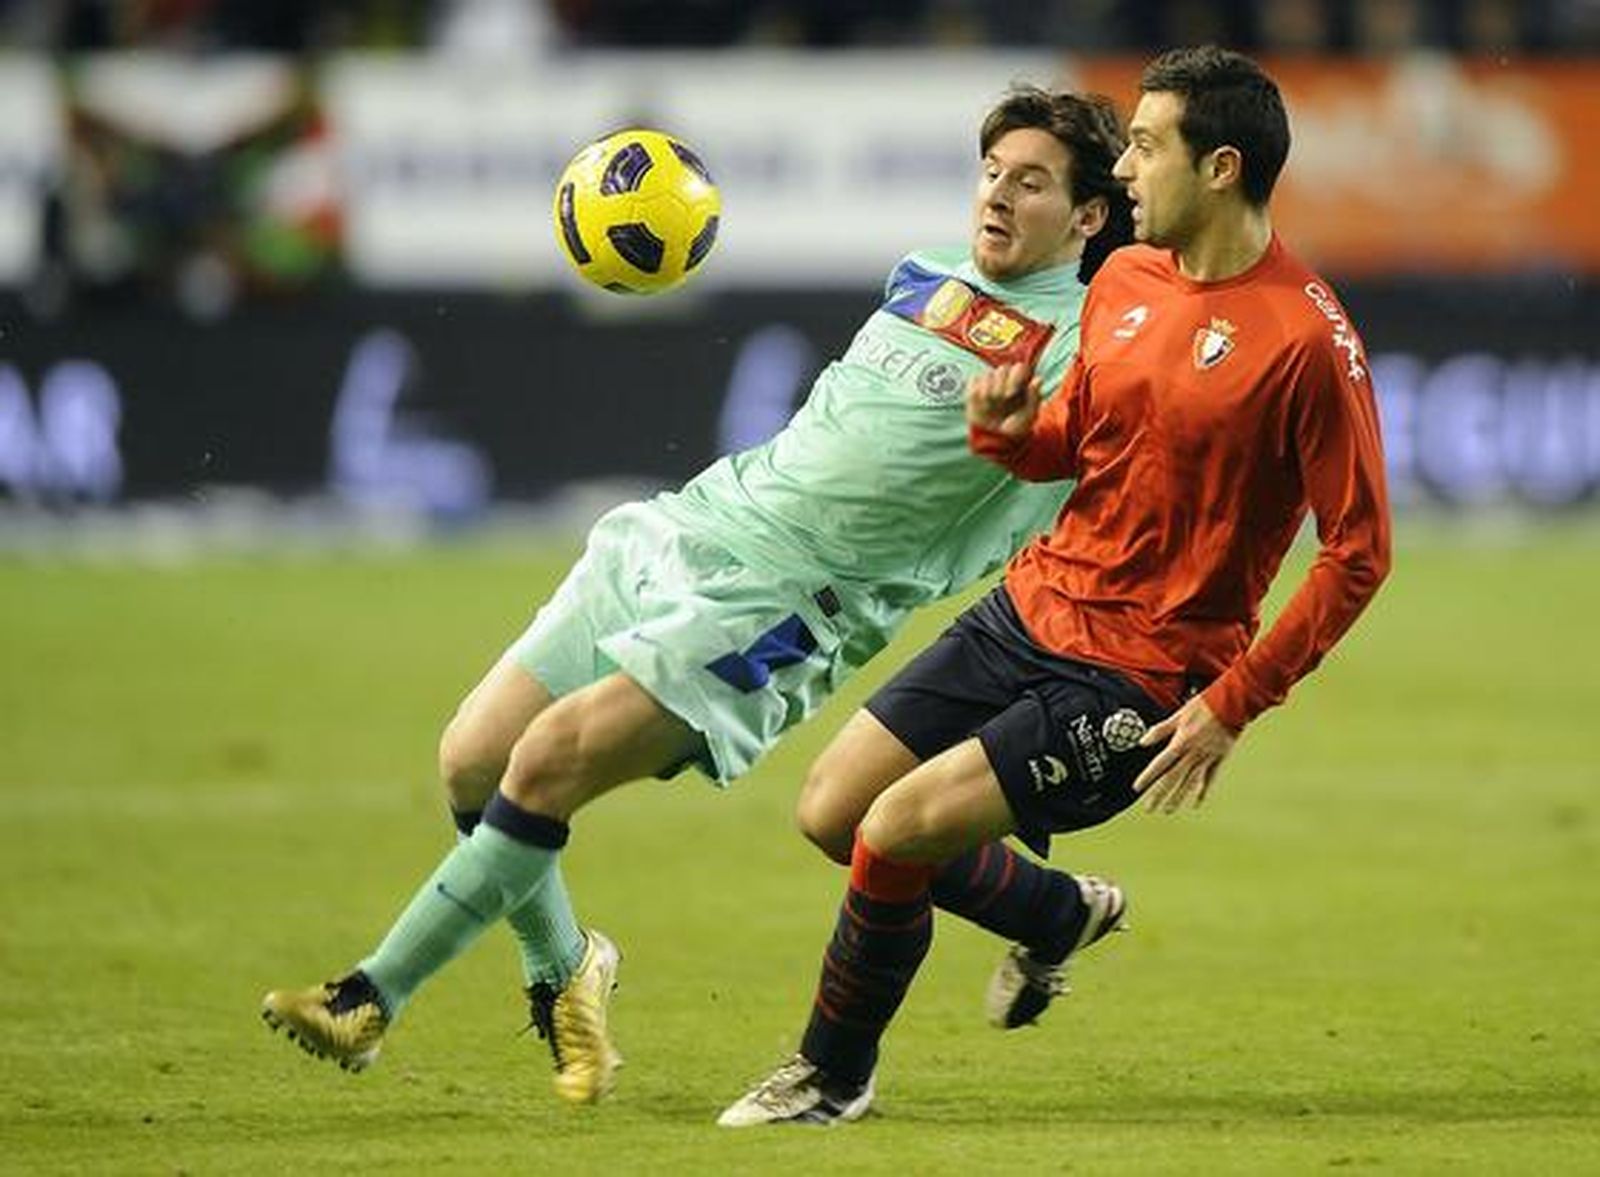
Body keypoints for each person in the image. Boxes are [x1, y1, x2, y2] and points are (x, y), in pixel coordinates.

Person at [260, 86, 1135, 1105]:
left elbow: (1106, 461)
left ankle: (370, 997)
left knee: (547, 763)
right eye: (990, 173)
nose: (995, 196)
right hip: (686, 528)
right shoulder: (924, 275)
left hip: (789, 606)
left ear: (1084, 217)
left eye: (1029, 183)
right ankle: (564, 969)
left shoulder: (1089, 348)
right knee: (472, 758)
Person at [719, 44, 1392, 1128]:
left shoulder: (1306, 341)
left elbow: (1358, 551)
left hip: (1144, 675)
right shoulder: (1123, 279)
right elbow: (1075, 441)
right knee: (831, 810)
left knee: (895, 831)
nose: (1122, 171)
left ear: (1219, 166)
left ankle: (830, 1075)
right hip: (1030, 609)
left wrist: (1231, 703)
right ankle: (1053, 911)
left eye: (1142, 145)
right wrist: (1005, 435)